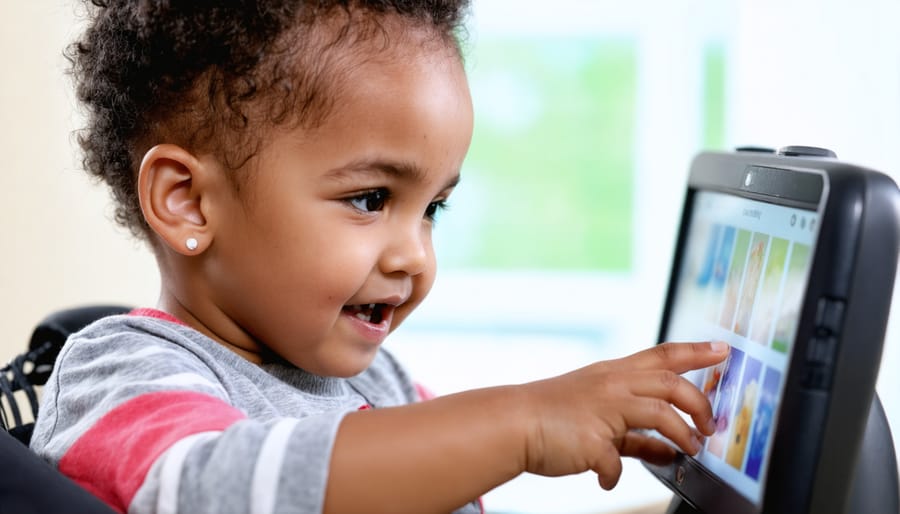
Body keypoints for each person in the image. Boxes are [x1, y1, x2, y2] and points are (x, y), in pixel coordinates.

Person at [30, 1, 730, 513]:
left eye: (433, 209)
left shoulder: (380, 386)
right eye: (370, 199)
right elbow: (222, 491)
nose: (416, 255)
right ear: (188, 201)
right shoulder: (119, 374)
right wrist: (525, 422)